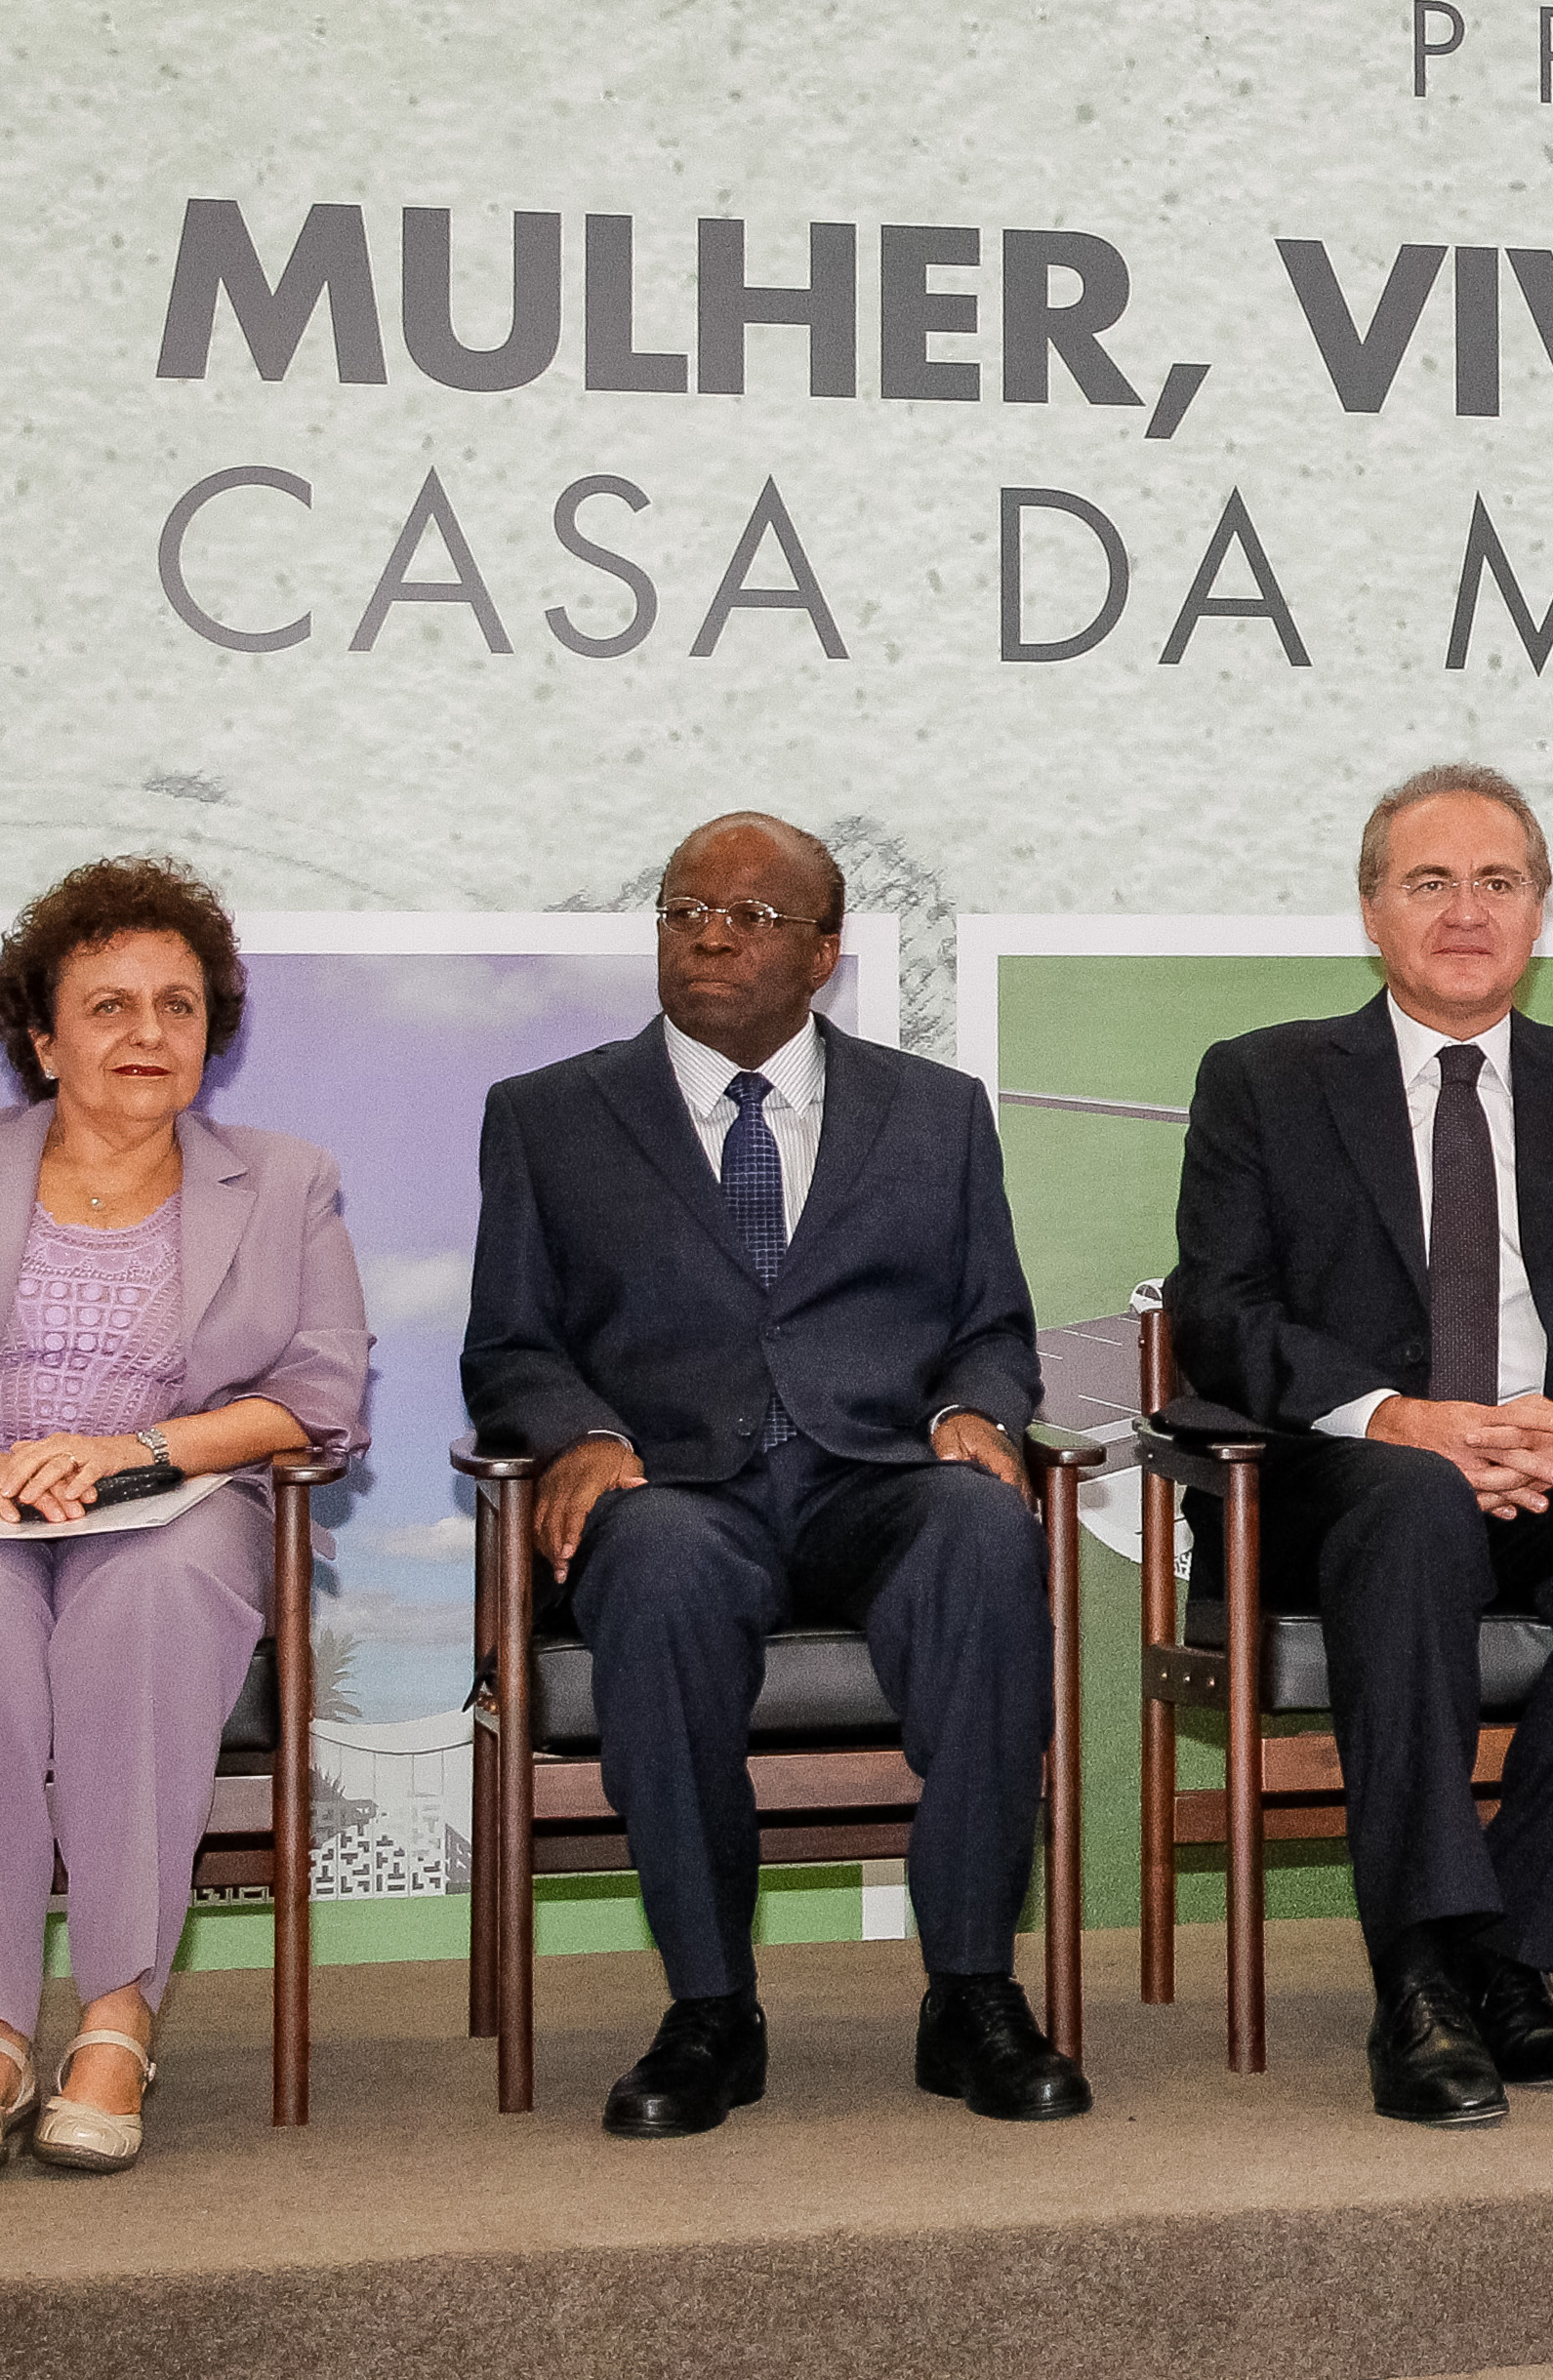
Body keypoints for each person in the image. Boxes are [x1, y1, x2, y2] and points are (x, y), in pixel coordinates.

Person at [462, 811, 1085, 2136]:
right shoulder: (550, 1117)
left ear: (824, 952)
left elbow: (990, 1323)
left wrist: (979, 1407)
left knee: (984, 1532)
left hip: (877, 1477)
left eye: (748, 916)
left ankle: (971, 1988)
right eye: (687, 909)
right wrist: (585, 1432)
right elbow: (511, 1342)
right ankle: (711, 2006)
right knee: (666, 1567)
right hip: (670, 1486)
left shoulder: (936, 1114)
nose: (708, 934)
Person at [0, 856, 368, 2177]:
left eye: (179, 1004)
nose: (148, 1032)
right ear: (42, 1036)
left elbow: (317, 1392)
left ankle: (113, 2017)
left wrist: (135, 1448)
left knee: (149, 1596)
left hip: (172, 1503)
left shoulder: (284, 1178)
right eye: (108, 1005)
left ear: (214, 1029)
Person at [1161, 764, 1553, 2130]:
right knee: (1415, 1502)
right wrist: (1400, 1417)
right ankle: (1417, 1971)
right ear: (1372, 911)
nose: (1465, 909)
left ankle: (1502, 1949)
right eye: (1430, 881)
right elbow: (1221, 1315)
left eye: (1498, 881)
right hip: (1340, 1477)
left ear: (1540, 913)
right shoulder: (1265, 1079)